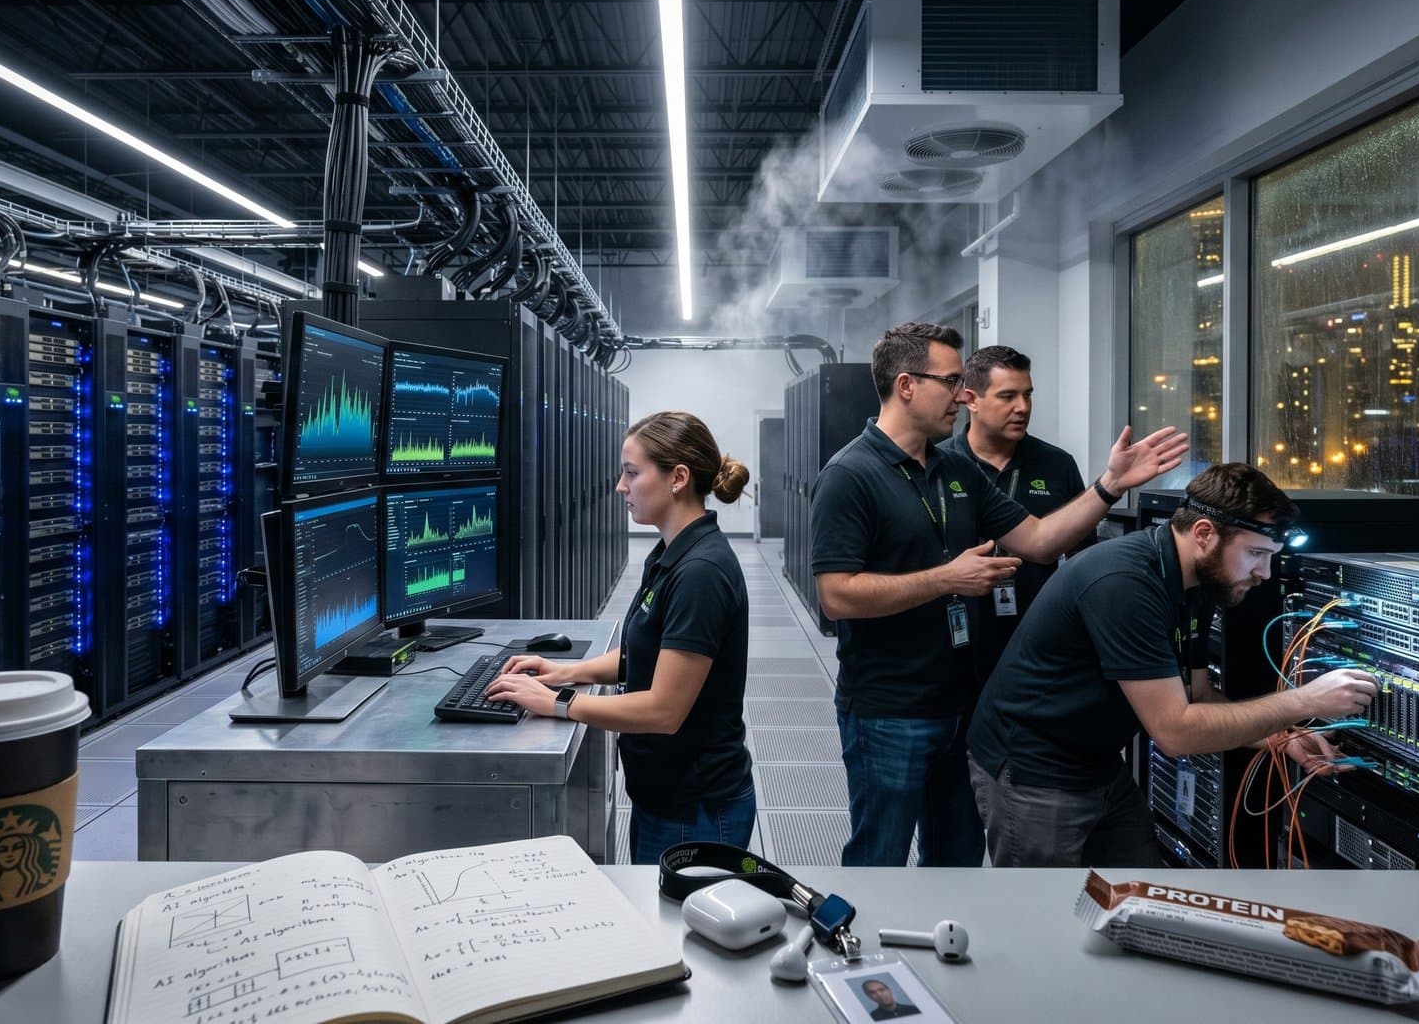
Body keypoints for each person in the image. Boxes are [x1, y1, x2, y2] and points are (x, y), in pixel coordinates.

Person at [811, 322, 1189, 868]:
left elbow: (1038, 541)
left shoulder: (953, 466)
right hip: (890, 710)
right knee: (879, 859)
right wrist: (947, 579)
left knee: (957, 860)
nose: (962, 395)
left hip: (967, 707)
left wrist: (1109, 485)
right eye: (951, 382)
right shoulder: (851, 475)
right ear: (906, 385)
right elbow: (836, 596)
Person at [966, 462, 1381, 867]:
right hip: (1034, 770)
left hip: (1097, 763)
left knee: (1140, 895)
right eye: (1256, 553)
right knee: (1043, 914)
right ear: (1204, 534)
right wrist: (1305, 701)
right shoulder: (1125, 583)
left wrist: (1281, 738)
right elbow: (1175, 732)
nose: (1265, 573)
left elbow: (1198, 694)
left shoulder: (1195, 581)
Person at [488, 411, 754, 865]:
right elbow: (643, 654)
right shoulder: (672, 552)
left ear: (678, 478)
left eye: (632, 473)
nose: (620, 486)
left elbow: (664, 710)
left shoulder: (701, 574)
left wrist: (557, 703)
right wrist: (563, 672)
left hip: (696, 810)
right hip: (667, 798)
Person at [935, 344, 1096, 689]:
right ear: (971, 399)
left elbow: (1084, 560)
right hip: (953, 646)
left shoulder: (1057, 465)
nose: (1022, 408)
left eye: (1027, 395)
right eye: (1007, 396)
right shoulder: (939, 464)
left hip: (1036, 646)